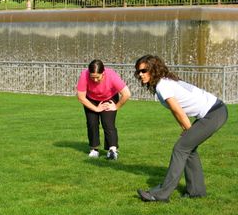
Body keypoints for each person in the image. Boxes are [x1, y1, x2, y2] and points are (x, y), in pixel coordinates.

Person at [134, 54, 228, 202]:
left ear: (154, 69)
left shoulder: (162, 85)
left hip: (214, 113)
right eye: (138, 71)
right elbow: (176, 110)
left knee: (180, 148)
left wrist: (188, 129)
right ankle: (197, 192)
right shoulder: (164, 82)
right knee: (188, 149)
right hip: (215, 112)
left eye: (144, 71)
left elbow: (178, 110)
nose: (140, 74)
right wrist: (185, 128)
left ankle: (162, 194)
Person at [77, 59, 131, 159]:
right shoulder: (84, 75)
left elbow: (126, 94)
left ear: (103, 73)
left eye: (97, 77)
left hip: (109, 98)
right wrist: (96, 109)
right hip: (91, 99)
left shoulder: (111, 75)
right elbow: (81, 97)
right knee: (92, 123)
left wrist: (116, 106)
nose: (95, 80)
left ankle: (112, 150)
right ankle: (94, 149)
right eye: (92, 77)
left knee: (108, 123)